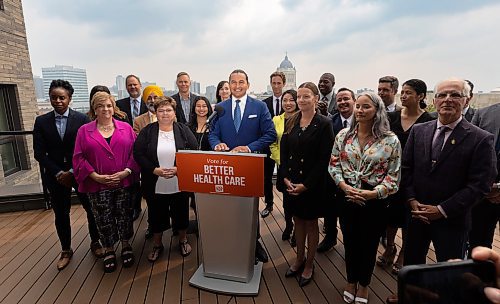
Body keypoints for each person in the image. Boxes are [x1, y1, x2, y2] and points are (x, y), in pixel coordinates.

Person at [402, 78, 496, 266]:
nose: (447, 99)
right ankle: (412, 296)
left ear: (467, 100)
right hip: (416, 215)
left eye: (455, 95)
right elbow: (406, 168)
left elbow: (480, 185)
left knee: (449, 272)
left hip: (452, 220)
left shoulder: (480, 139)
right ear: (434, 101)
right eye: (442, 95)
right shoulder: (419, 131)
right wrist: (412, 200)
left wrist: (441, 210)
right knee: (412, 265)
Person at [329, 92, 401, 303]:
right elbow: (334, 165)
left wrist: (372, 193)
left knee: (369, 245)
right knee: (350, 242)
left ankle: (364, 284)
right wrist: (343, 186)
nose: (360, 110)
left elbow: (394, 175)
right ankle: (351, 280)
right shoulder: (343, 136)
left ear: (376, 110)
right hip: (347, 196)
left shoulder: (390, 140)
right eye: (358, 106)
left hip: (374, 200)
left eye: (365, 106)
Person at [208, 69, 277, 263]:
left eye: (241, 82)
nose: (237, 86)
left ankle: (254, 244)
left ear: (248, 84)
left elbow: (270, 134)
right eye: (233, 82)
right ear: (228, 85)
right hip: (227, 166)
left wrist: (249, 147)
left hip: (250, 165)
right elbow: (212, 133)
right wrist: (216, 144)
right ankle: (231, 244)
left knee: (250, 208)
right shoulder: (220, 108)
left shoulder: (260, 106)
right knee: (229, 207)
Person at [33, 79, 103, 271]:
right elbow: (39, 153)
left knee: (91, 209)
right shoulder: (41, 121)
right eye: (54, 97)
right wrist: (59, 172)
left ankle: (95, 242)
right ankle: (65, 249)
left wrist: (72, 171)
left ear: (69, 99)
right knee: (61, 213)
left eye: (62, 97)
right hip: (55, 176)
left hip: (80, 173)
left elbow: (88, 150)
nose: (58, 101)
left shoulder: (82, 120)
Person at [73, 92, 139, 273]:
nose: (106, 109)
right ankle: (109, 249)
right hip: (97, 184)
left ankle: (126, 245)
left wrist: (126, 172)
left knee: (124, 214)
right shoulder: (83, 131)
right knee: (103, 217)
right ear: (94, 109)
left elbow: (136, 153)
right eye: (101, 106)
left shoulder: (126, 128)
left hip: (123, 181)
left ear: (114, 107)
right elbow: (78, 158)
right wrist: (94, 176)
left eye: (109, 105)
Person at [377, 79, 435, 275]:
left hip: (415, 177)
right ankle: (390, 247)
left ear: (420, 96)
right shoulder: (391, 117)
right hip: (391, 176)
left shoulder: (429, 121)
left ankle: (404, 252)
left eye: (408, 93)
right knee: (390, 216)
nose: (403, 95)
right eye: (402, 92)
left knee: (410, 217)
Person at [281, 82, 334, 287]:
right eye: (299, 97)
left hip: (311, 185)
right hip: (291, 183)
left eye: (306, 96)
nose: (301, 101)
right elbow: (284, 153)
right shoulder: (292, 120)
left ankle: (310, 264)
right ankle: (299, 259)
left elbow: (324, 159)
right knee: (297, 221)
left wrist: (306, 185)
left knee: (311, 224)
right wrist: (284, 177)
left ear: (315, 98)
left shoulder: (324, 123)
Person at [134, 96, 198, 261]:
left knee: (181, 212)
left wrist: (179, 169)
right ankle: (157, 244)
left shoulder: (183, 130)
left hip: (179, 181)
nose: (164, 113)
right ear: (155, 113)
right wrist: (154, 170)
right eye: (161, 110)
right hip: (155, 181)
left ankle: (183, 240)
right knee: (156, 214)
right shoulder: (147, 131)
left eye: (168, 110)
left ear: (174, 112)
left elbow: (194, 151)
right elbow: (138, 154)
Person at [318, 87, 356, 253]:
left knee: (352, 211)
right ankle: (331, 237)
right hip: (333, 173)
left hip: (356, 176)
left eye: (346, 98)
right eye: (339, 100)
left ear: (354, 100)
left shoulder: (364, 121)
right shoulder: (329, 122)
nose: (342, 102)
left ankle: (352, 241)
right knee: (330, 208)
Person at [468, 100, 500, 253]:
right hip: (484, 193)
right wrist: (484, 185)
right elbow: (471, 153)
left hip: (493, 189)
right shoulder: (483, 113)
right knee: (479, 242)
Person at [116, 75, 147, 222]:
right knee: (132, 179)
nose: (133, 87)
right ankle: (135, 207)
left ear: (140, 85)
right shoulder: (119, 105)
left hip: (147, 148)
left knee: (146, 178)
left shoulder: (149, 102)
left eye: (135, 84)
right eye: (129, 85)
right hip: (128, 148)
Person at [269, 89, 298, 244]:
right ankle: (288, 225)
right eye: (284, 100)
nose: (287, 103)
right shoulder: (276, 120)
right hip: (283, 165)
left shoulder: (302, 119)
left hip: (299, 166)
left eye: (291, 100)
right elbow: (272, 142)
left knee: (297, 199)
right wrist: (281, 161)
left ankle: (298, 232)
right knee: (286, 199)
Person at [261, 72, 286, 218]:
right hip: (268, 146)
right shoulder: (264, 104)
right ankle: (269, 204)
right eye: (274, 83)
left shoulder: (290, 101)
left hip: (286, 147)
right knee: (266, 177)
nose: (276, 86)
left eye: (279, 83)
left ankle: (286, 208)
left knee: (286, 178)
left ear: (283, 84)